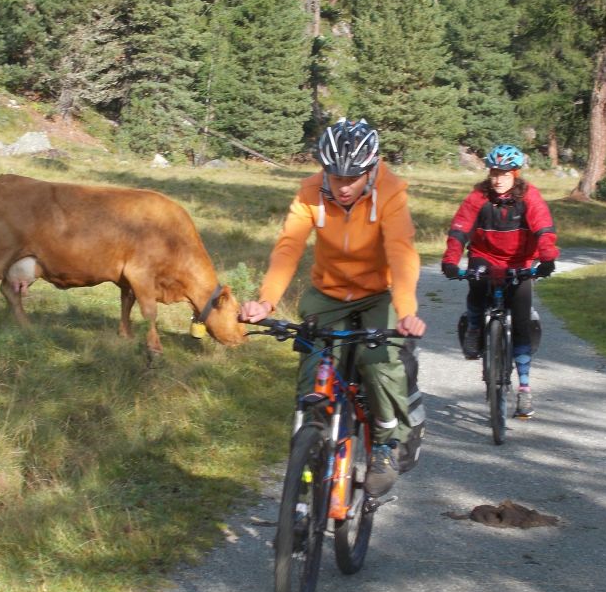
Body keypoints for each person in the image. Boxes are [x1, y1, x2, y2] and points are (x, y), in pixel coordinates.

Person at [239, 118, 425, 498]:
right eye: (334, 176)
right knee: (312, 377)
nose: (342, 186)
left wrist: (406, 311)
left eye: (352, 177)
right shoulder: (310, 191)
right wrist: (265, 301)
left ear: (370, 169)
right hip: (327, 294)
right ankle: (312, 452)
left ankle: (387, 444)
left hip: (379, 294)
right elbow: (289, 246)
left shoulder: (390, 192)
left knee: (378, 366)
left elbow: (401, 252)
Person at [440, 144, 559, 418]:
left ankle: (525, 390)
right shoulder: (478, 197)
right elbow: (460, 229)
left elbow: (543, 227)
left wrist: (547, 258)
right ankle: (473, 326)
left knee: (521, 324)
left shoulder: (530, 197)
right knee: (476, 285)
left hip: (519, 263)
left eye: (504, 173)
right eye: (494, 172)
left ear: (515, 174)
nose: (497, 178)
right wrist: (450, 260)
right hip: (484, 257)